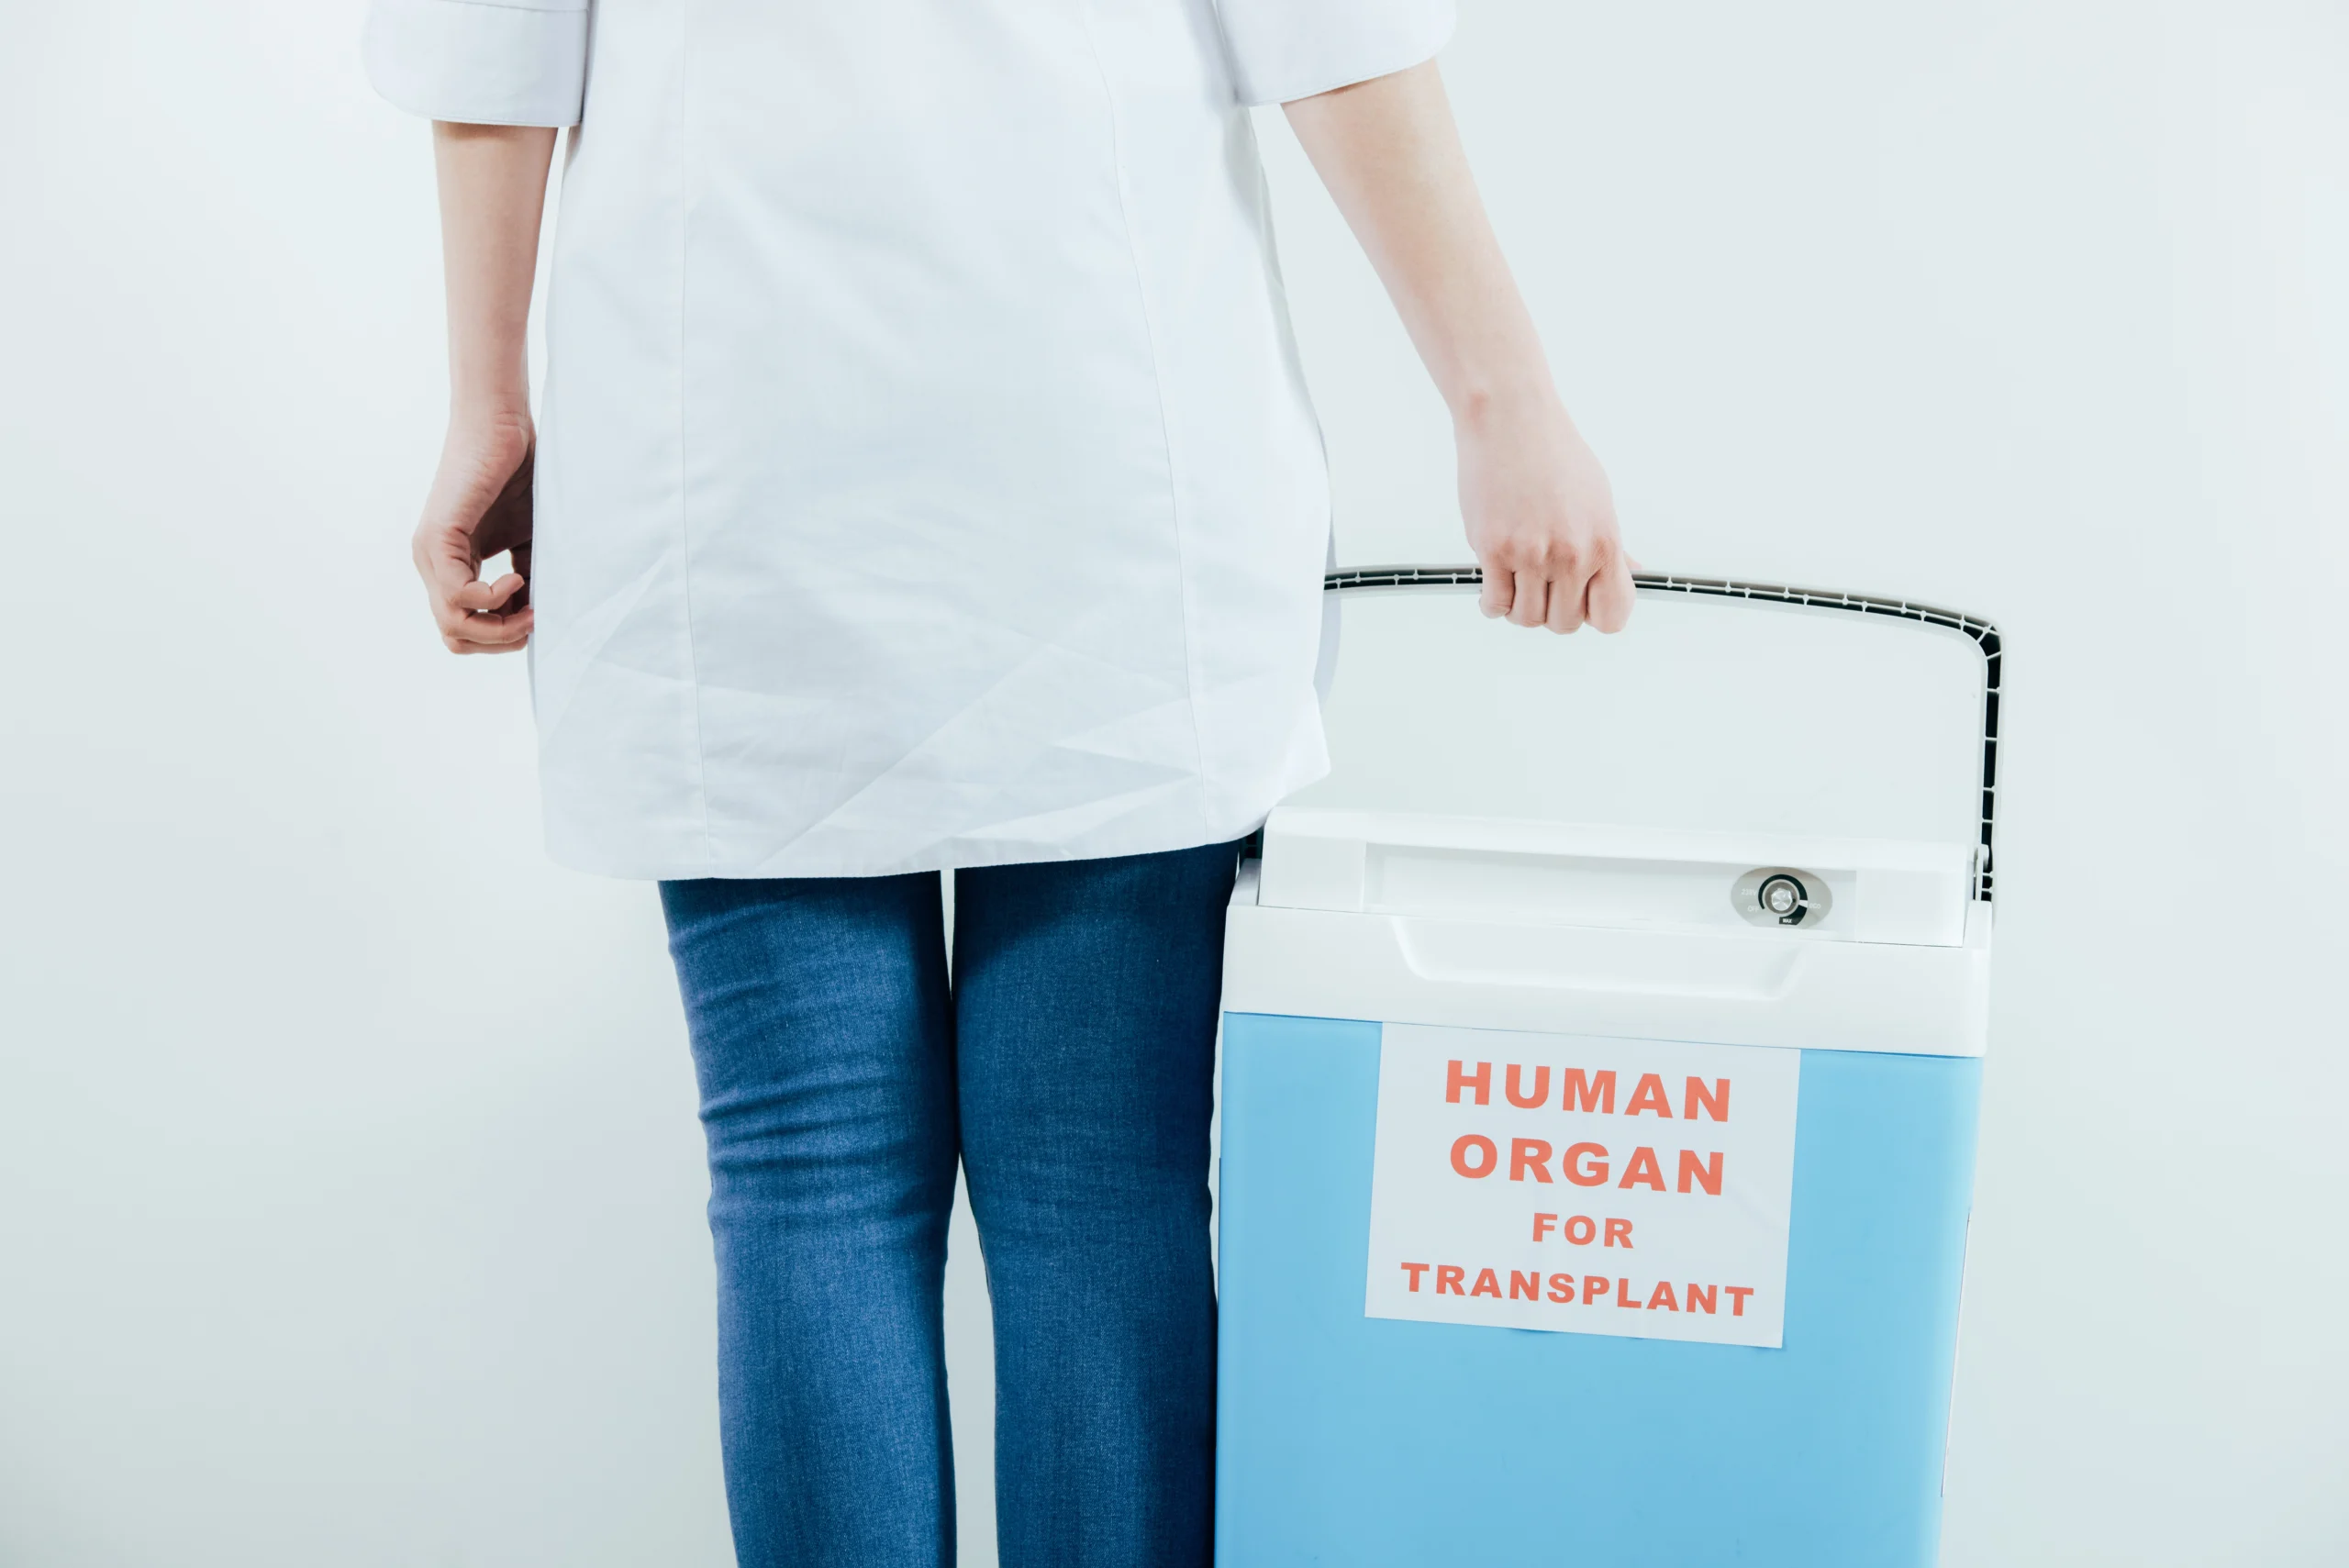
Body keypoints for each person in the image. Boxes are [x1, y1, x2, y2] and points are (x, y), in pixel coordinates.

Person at [363, 0, 1632, 1562]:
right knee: (1100, 1187)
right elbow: (1336, 29)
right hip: (1105, 449)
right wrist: (1501, 401)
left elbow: (494, 49)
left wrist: (486, 398)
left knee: (810, 1181)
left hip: (729, 461)